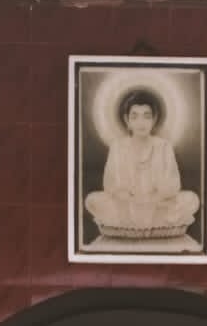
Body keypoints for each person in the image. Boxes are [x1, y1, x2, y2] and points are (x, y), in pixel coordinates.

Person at [85, 89, 200, 242]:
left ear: (154, 119)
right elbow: (110, 184)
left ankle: (131, 228)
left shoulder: (164, 146)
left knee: (191, 199)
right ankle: (154, 228)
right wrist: (126, 195)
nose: (141, 122)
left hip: (158, 205)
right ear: (127, 120)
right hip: (126, 206)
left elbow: (174, 184)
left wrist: (157, 195)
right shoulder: (117, 147)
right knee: (92, 200)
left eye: (146, 116)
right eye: (135, 116)